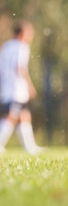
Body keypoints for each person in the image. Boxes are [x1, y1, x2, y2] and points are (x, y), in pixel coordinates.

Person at [0, 21, 43, 155]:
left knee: (24, 116)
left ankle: (30, 147)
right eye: (29, 33)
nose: (31, 36)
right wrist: (30, 86)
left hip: (7, 86)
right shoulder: (21, 47)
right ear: (22, 33)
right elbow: (20, 68)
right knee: (11, 116)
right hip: (16, 88)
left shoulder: (6, 46)